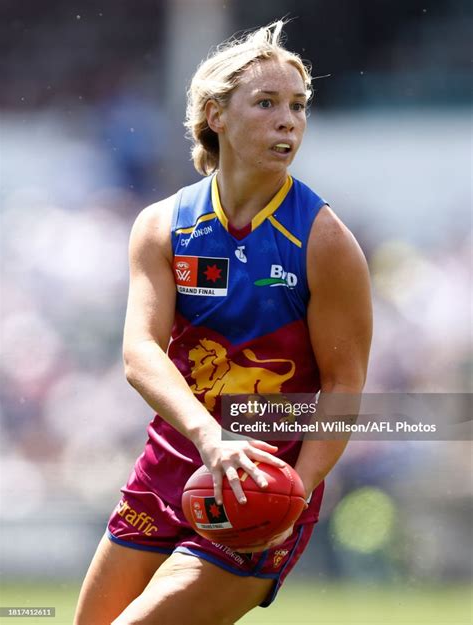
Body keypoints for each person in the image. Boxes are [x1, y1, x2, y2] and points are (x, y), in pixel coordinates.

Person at [74, 20, 372, 625]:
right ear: (216, 115)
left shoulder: (324, 241)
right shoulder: (163, 226)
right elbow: (140, 352)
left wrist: (295, 491)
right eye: (266, 103)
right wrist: (208, 439)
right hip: (171, 467)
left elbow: (344, 388)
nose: (288, 120)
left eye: (297, 105)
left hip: (261, 489)